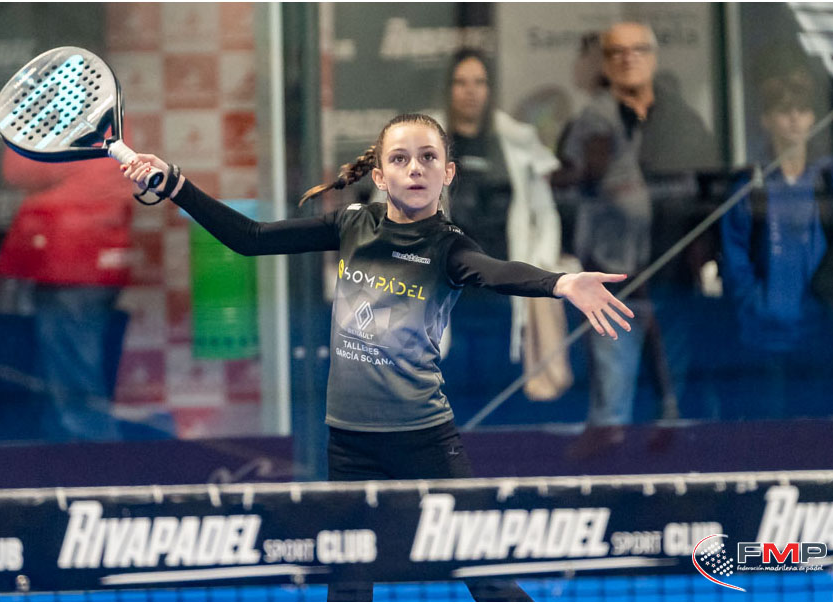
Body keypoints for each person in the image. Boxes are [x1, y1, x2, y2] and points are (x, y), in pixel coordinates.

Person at [121, 113, 634, 602]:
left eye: (429, 157)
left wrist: (561, 282)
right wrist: (175, 185)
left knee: (485, 575)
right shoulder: (353, 224)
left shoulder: (449, 247)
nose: (416, 168)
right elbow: (250, 238)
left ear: (448, 173)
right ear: (380, 176)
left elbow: (496, 272)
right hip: (350, 443)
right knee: (348, 585)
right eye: (401, 159)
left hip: (425, 439)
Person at [556, 22, 718, 456]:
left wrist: (706, 253)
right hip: (612, 276)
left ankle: (672, 468)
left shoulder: (682, 119)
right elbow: (564, 192)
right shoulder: (588, 122)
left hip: (673, 271)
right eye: (617, 52)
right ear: (606, 63)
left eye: (638, 49)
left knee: (673, 392)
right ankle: (613, 472)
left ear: (654, 57)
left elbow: (708, 191)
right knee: (612, 395)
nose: (628, 58)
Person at [439, 48, 572, 420]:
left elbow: (545, 213)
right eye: (461, 82)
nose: (470, 91)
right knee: (450, 390)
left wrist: (539, 268)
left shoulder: (514, 141)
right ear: (449, 89)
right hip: (448, 290)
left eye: (479, 82)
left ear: (490, 89)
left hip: (502, 289)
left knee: (502, 390)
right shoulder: (428, 143)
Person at [720, 68, 833, 419]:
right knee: (770, 425)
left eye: (802, 111)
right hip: (765, 331)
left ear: (813, 119)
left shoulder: (829, 182)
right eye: (783, 111)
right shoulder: (751, 185)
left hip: (820, 328)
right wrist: (753, 304)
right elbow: (734, 255)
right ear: (766, 120)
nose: (793, 119)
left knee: (820, 425)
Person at [0, 149, 133, 441]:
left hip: (71, 261)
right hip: (81, 260)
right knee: (66, 369)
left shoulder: (79, 128)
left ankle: (93, 455)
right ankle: (68, 447)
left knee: (73, 375)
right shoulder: (107, 128)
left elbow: (17, 169)